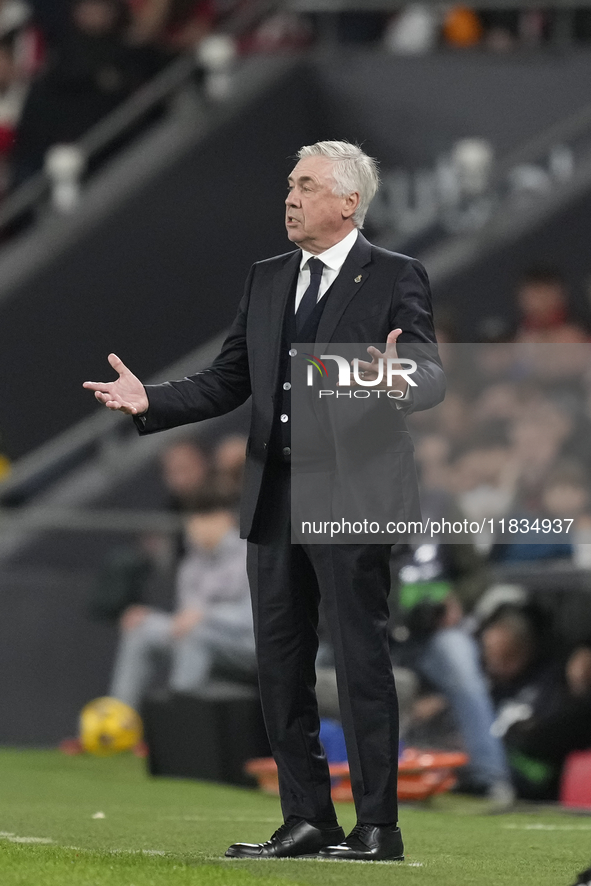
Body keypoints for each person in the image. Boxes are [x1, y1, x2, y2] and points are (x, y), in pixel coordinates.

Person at [83, 140, 445, 861]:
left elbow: (428, 377)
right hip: (275, 494)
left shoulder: (395, 276)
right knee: (279, 662)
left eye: (306, 186)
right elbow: (227, 380)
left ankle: (378, 826)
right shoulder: (267, 277)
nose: (290, 197)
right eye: (289, 184)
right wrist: (149, 398)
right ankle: (307, 817)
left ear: (348, 202)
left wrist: (389, 375)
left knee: (359, 658)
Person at [109, 485, 256, 710]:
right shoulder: (191, 564)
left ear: (225, 519)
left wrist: (204, 617)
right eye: (193, 517)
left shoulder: (251, 554)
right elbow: (184, 619)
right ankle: (117, 722)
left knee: (195, 635)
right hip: (203, 638)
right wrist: (149, 617)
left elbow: (254, 618)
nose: (195, 525)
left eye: (204, 516)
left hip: (249, 645)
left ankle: (179, 721)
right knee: (140, 628)